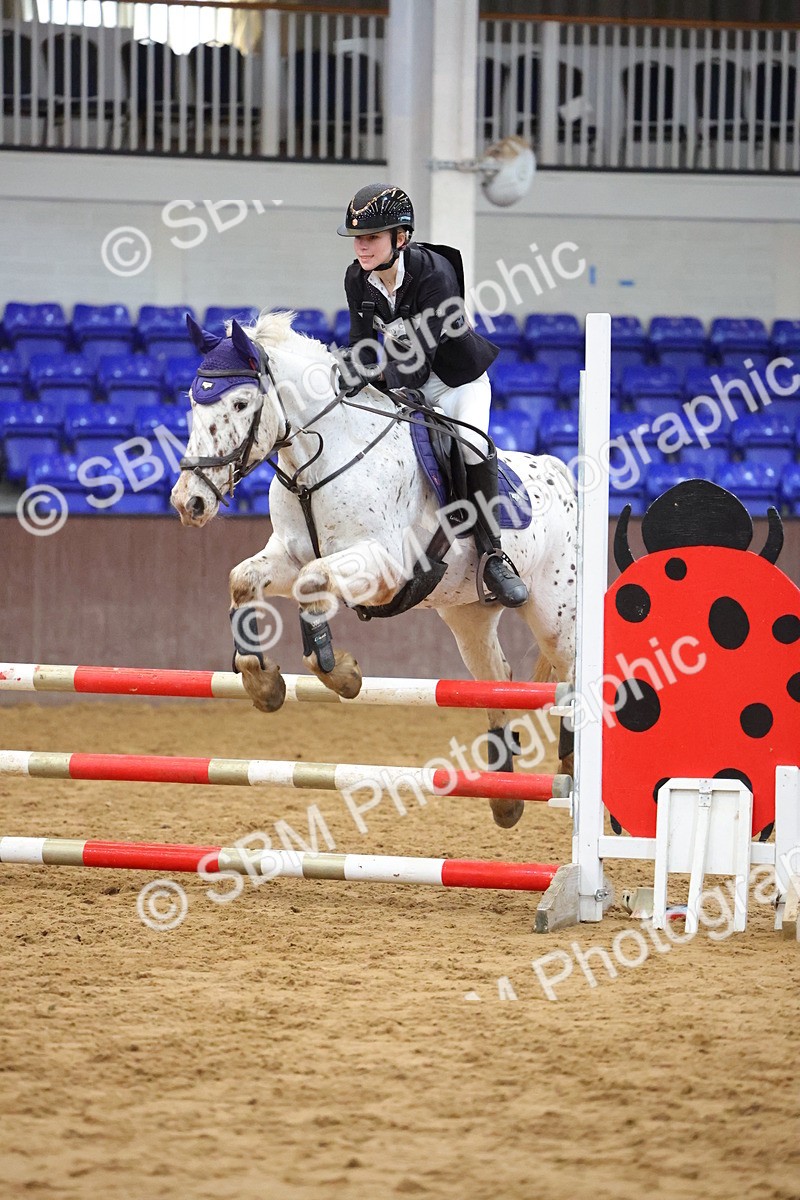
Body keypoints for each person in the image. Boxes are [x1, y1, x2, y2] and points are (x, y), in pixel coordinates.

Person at [337, 181, 528, 609]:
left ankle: (494, 556)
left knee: (474, 446)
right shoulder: (357, 279)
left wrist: (373, 376)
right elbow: (360, 342)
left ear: (400, 237)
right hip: (409, 381)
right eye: (358, 239)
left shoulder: (435, 274)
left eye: (372, 237)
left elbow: (420, 363)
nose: (361, 248)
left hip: (456, 381)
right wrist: (347, 370)